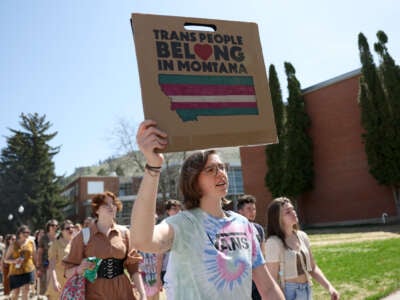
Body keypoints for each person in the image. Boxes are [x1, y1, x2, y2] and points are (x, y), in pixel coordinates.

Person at [131, 120, 284, 299]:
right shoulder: (182, 224)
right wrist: (153, 166)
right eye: (211, 169)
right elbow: (142, 241)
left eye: (222, 167)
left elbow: (267, 288)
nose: (221, 173)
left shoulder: (243, 224)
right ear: (193, 181)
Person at [63, 191, 146, 300]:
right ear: (97, 209)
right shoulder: (83, 236)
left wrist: (143, 294)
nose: (111, 206)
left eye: (113, 203)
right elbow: (67, 272)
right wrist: (79, 269)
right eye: (106, 204)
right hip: (94, 293)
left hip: (123, 292)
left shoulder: (125, 233)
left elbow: (134, 268)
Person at [265, 197, 340, 300]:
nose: (293, 213)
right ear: (278, 219)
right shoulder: (273, 243)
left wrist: (329, 287)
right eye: (288, 212)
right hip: (287, 293)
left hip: (307, 289)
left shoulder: (302, 236)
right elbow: (272, 280)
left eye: (293, 209)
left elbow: (312, 268)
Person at [237, 194, 266, 300]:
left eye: (254, 209)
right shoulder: (234, 230)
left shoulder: (259, 229)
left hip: (257, 279)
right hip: (242, 280)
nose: (252, 212)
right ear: (240, 211)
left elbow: (263, 255)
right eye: (249, 209)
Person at [4, 225, 36, 300]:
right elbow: (6, 259)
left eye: (28, 232)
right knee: (16, 292)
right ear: (19, 233)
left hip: (29, 269)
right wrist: (14, 261)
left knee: (26, 290)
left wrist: (37, 268)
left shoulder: (31, 243)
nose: (27, 234)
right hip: (16, 271)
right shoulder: (13, 244)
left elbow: (34, 256)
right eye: (25, 232)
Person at [156, 199, 182, 288]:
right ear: (168, 211)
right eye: (174, 209)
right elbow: (159, 254)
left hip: (185, 269)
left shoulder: (185, 224)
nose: (178, 211)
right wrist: (158, 276)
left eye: (179, 208)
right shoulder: (164, 225)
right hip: (169, 270)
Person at [46, 220, 74, 300]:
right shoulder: (56, 244)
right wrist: (55, 281)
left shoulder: (75, 243)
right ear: (62, 231)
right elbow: (52, 265)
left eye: (72, 227)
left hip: (71, 282)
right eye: (68, 228)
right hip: (58, 282)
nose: (71, 229)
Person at [37, 219, 58, 296]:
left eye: (56, 225)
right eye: (52, 225)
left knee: (56, 286)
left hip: (58, 264)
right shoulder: (44, 238)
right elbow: (39, 253)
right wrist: (39, 267)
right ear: (48, 226)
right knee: (46, 287)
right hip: (46, 265)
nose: (55, 227)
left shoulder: (59, 237)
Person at [1, 234, 16, 298]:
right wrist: (1, 268)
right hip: (6, 267)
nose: (14, 240)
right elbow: (3, 259)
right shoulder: (6, 248)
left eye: (15, 239)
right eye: (12, 239)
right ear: (8, 240)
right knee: (6, 282)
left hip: (15, 267)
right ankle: (7, 296)